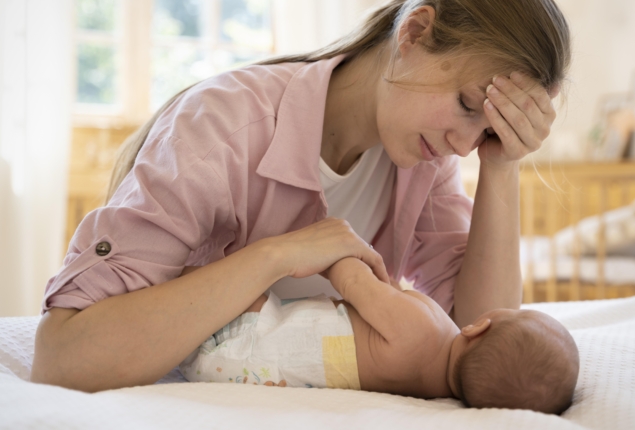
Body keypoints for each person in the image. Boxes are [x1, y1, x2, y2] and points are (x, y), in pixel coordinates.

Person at [31, 0, 571, 393]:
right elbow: (64, 357)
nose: (464, 144)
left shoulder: (427, 160)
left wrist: (502, 166)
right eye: (467, 105)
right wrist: (278, 256)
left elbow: (486, 348)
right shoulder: (220, 126)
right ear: (415, 32)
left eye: (488, 132)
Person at [181, 258, 579, 413]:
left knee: (228, 268)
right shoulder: (427, 389)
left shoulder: (427, 327)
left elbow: (354, 282)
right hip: (234, 370)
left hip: (246, 333)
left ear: (477, 328)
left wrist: (338, 248)